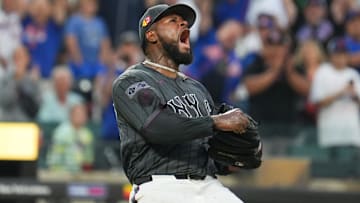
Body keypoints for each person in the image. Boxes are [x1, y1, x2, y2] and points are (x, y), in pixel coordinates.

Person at [112, 4, 251, 203]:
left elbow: (206, 148)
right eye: (173, 21)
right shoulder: (132, 81)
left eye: (184, 22)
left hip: (208, 185)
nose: (184, 24)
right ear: (152, 35)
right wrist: (216, 122)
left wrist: (232, 160)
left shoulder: (197, 89)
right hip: (160, 185)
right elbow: (159, 128)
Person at [310, 37, 360, 157]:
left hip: (351, 132)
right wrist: (341, 92)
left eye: (343, 54)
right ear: (330, 56)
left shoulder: (353, 74)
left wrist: (354, 95)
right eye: (337, 54)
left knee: (351, 171)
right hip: (330, 133)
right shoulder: (322, 72)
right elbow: (318, 102)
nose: (340, 58)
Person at [47, 103, 94, 173]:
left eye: (83, 115)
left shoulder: (87, 134)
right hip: (61, 173)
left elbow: (89, 160)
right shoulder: (61, 133)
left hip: (81, 175)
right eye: (78, 114)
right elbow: (54, 159)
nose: (80, 117)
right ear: (71, 115)